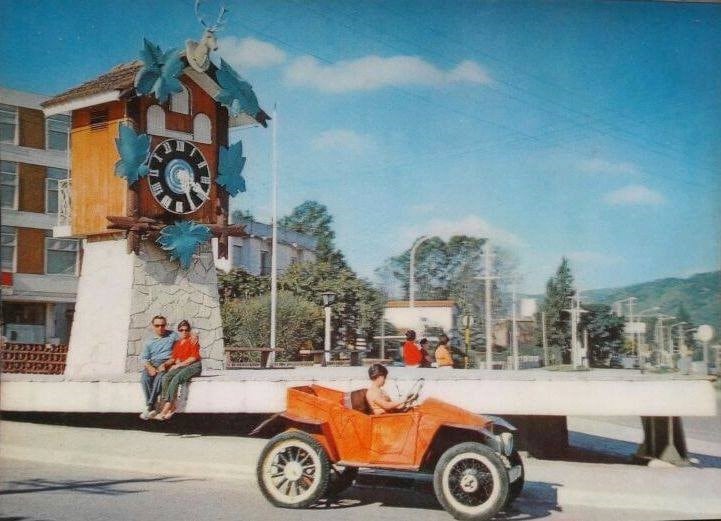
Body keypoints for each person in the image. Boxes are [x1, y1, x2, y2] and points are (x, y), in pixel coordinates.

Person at [154, 320, 202, 421]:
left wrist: (178, 364)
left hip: (194, 366)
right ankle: (170, 404)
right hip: (183, 366)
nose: (184, 332)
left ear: (189, 331)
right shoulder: (178, 343)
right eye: (181, 330)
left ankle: (167, 407)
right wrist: (166, 364)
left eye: (186, 330)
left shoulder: (193, 340)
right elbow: (174, 358)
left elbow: (193, 358)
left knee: (176, 378)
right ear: (178, 331)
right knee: (166, 377)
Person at [139, 315, 178, 420]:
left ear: (166, 325)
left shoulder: (173, 336)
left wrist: (167, 364)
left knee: (159, 378)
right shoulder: (149, 341)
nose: (160, 328)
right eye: (157, 325)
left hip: (167, 362)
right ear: (153, 326)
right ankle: (151, 408)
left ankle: (150, 406)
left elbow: (180, 348)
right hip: (152, 363)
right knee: (144, 379)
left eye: (162, 325)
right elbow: (144, 358)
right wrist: (150, 367)